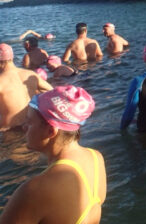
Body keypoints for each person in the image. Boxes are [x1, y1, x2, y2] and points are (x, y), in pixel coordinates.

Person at [0, 86, 106, 224]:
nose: (24, 127)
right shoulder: (96, 157)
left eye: (30, 122)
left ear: (51, 131)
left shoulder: (35, 191)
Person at [0, 43, 52, 131]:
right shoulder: (30, 74)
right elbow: (52, 92)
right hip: (33, 126)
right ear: (12, 57)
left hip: (10, 130)